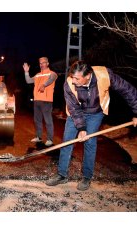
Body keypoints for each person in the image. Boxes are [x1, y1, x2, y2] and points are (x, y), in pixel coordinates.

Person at [46, 60, 137, 191]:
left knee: (90, 142)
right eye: (72, 77)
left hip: (95, 113)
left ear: (88, 76)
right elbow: (74, 108)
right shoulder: (69, 84)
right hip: (75, 113)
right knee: (67, 141)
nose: (73, 80)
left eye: (77, 78)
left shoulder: (104, 75)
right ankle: (62, 174)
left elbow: (128, 91)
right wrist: (81, 128)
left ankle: (86, 177)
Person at [23, 57, 58, 146]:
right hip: (37, 100)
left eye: (43, 62)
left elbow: (51, 80)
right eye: (40, 63)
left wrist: (44, 84)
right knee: (37, 120)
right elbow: (28, 81)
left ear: (48, 63)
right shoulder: (38, 75)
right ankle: (39, 137)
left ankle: (50, 139)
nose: (41, 64)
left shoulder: (52, 73)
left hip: (46, 101)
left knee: (48, 121)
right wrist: (26, 72)